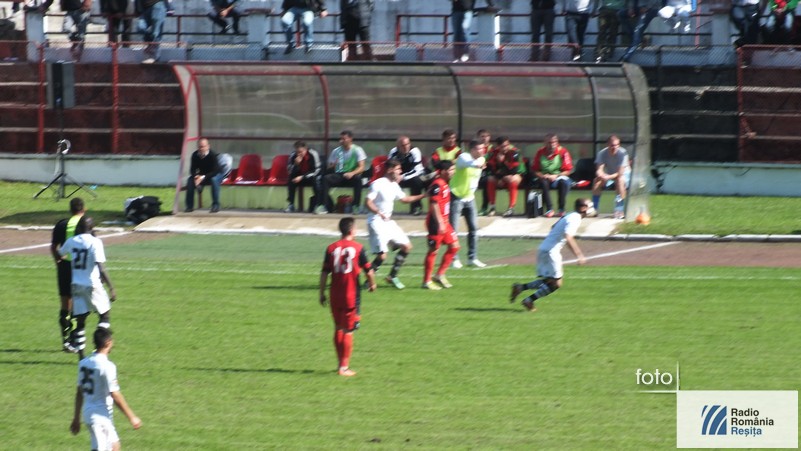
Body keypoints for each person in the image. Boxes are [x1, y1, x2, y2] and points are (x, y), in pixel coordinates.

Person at [510, 198, 592, 312]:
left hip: (545, 248)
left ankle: (520, 287)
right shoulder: (575, 218)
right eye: (589, 206)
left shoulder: (570, 215)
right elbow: (568, 237)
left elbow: (553, 226)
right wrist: (579, 255)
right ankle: (529, 300)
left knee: (550, 280)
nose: (591, 208)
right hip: (551, 251)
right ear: (583, 208)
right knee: (556, 283)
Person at [319, 217, 376, 377]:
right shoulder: (358, 248)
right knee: (348, 330)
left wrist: (321, 292)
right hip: (350, 295)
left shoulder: (331, 248)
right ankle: (344, 368)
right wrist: (372, 284)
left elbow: (324, 273)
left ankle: (340, 364)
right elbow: (369, 270)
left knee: (338, 327)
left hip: (335, 294)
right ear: (352, 230)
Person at [70, 328, 142, 450]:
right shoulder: (107, 366)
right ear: (108, 342)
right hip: (99, 416)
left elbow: (79, 392)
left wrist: (76, 418)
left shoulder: (84, 363)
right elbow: (115, 394)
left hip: (91, 413)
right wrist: (132, 417)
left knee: (115, 446)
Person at [58, 217, 117, 358]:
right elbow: (100, 266)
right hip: (92, 285)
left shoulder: (72, 241)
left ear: (78, 228)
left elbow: (61, 254)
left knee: (80, 321)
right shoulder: (95, 242)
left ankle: (81, 358)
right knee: (105, 315)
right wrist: (111, 287)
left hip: (76, 285)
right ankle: (100, 344)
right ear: (91, 228)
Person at [364, 159, 426, 290]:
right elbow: (368, 202)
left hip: (388, 222)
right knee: (382, 256)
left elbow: (405, 199)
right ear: (390, 170)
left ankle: (392, 276)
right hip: (376, 221)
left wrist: (424, 195)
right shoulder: (377, 184)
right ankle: (368, 281)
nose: (400, 172)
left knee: (407, 247)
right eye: (398, 169)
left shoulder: (394, 185)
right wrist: (378, 212)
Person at [50, 197, 86, 352]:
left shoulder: (61, 224)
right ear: (84, 209)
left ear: (70, 210)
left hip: (64, 267)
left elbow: (54, 247)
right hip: (80, 268)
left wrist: (58, 261)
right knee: (79, 304)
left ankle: (65, 341)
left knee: (65, 304)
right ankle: (75, 340)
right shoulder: (86, 224)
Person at [449, 139, 487, 269]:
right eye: (479, 149)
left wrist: (480, 164)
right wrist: (478, 165)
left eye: (483, 148)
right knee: (453, 230)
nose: (482, 151)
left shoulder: (482, 159)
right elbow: (470, 163)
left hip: (470, 198)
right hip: (456, 196)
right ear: (472, 150)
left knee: (474, 229)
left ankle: (472, 258)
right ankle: (453, 259)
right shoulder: (463, 157)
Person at [423, 160, 460, 290]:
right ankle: (426, 281)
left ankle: (439, 274)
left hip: (445, 221)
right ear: (444, 171)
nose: (453, 172)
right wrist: (439, 222)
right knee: (434, 250)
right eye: (451, 170)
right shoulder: (437, 184)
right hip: (435, 223)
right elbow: (433, 203)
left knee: (455, 246)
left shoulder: (444, 183)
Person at [317, 130, 367, 214]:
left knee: (358, 180)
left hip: (352, 175)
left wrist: (352, 173)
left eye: (344, 139)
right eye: (340, 139)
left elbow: (362, 167)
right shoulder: (336, 151)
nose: (341, 141)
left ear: (350, 139)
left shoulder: (358, 150)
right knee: (325, 179)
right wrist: (333, 165)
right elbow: (330, 167)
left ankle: (356, 206)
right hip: (339, 175)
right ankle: (323, 206)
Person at [532, 134, 575, 218]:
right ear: (545, 143)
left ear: (557, 142)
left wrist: (556, 175)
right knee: (543, 182)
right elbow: (535, 170)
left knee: (563, 182)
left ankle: (561, 209)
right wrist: (542, 175)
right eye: (549, 142)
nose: (552, 144)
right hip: (545, 177)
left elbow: (568, 170)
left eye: (554, 142)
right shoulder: (540, 152)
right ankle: (549, 209)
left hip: (559, 176)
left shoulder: (563, 151)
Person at [591, 135, 630, 219]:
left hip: (624, 175)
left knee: (620, 180)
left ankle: (619, 210)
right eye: (612, 145)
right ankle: (594, 209)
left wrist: (608, 177)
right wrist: (601, 175)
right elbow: (599, 169)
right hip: (610, 175)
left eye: (617, 145)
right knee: (596, 180)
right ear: (607, 145)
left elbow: (620, 173)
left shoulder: (623, 153)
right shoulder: (602, 153)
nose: (615, 147)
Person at [485, 136, 524, 218]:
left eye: (507, 145)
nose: (505, 148)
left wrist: (502, 162)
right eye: (503, 146)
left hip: (517, 175)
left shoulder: (514, 152)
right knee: (490, 179)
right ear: (498, 146)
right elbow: (491, 169)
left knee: (512, 179)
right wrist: (501, 177)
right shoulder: (493, 153)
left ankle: (511, 208)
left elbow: (514, 171)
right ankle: (492, 207)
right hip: (501, 177)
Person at [387, 135, 427, 215]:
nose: (406, 147)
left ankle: (416, 207)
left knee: (417, 181)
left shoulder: (415, 151)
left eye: (407, 144)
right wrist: (394, 177)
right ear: (398, 146)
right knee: (386, 182)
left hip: (413, 176)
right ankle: (385, 208)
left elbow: (417, 170)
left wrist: (402, 177)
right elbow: (389, 167)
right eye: (403, 145)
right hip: (398, 177)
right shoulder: (393, 152)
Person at [185, 138, 222, 213]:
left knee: (214, 180)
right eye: (199, 147)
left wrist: (202, 177)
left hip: (215, 175)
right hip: (202, 175)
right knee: (190, 181)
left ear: (208, 146)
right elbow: (192, 169)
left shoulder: (212, 155)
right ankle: (189, 206)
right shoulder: (195, 155)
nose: (201, 149)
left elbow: (215, 171)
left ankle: (215, 205)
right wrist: (196, 176)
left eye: (203, 146)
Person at [285, 140, 322, 213]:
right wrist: (296, 164)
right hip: (299, 178)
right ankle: (291, 204)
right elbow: (289, 171)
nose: (298, 154)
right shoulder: (293, 155)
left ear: (306, 149)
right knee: (291, 180)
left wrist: (302, 177)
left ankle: (318, 205)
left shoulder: (313, 154)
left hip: (311, 177)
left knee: (316, 180)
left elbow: (317, 170)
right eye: (297, 152)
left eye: (301, 152)